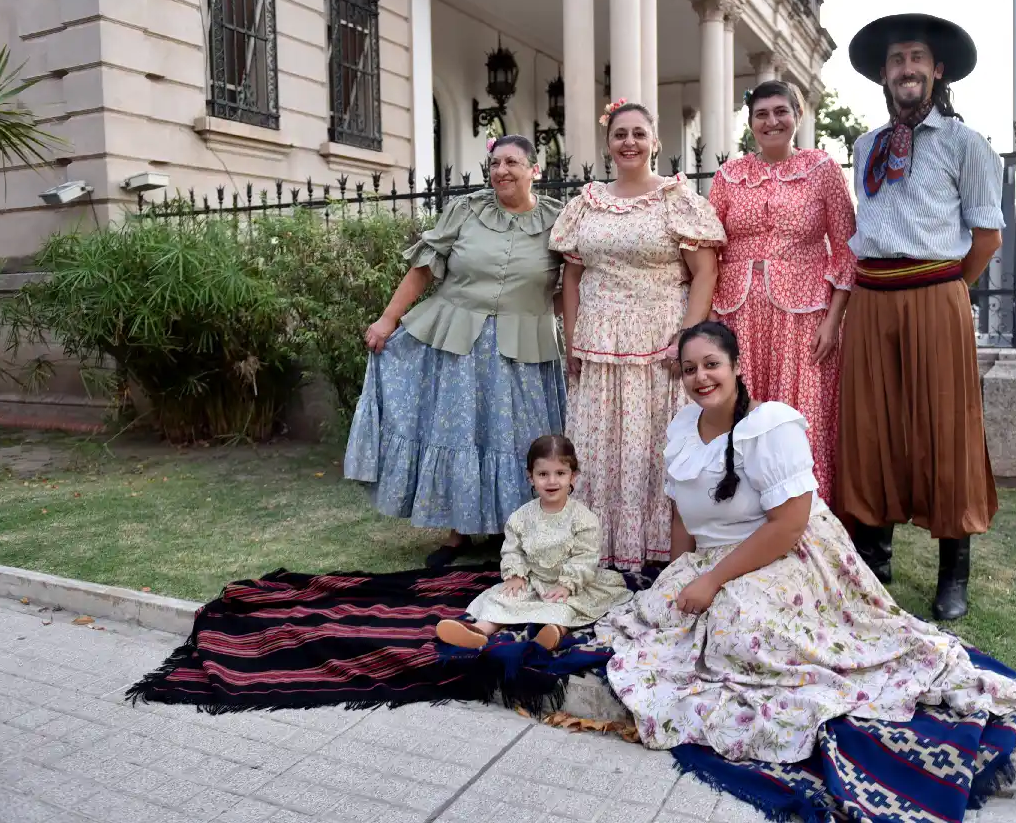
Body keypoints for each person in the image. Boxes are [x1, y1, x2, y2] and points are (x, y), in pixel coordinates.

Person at [595, 321, 1016, 764]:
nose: (701, 377)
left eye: (712, 365)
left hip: (787, 551)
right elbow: (681, 513)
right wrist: (680, 574)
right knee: (661, 617)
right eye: (689, 369)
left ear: (737, 366)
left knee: (739, 622)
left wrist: (711, 581)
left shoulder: (770, 425)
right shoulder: (684, 426)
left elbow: (788, 525)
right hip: (715, 558)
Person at [837, 14, 1004, 621]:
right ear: (883, 75)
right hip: (872, 296)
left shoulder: (967, 143)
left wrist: (947, 292)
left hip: (936, 292)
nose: (906, 69)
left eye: (917, 58)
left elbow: (987, 236)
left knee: (944, 428)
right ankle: (874, 559)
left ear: (937, 70)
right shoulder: (865, 147)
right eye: (896, 60)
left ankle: (952, 568)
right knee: (871, 426)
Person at [344, 135, 567, 569]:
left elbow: (573, 287)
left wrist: (543, 311)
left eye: (513, 162)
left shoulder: (559, 221)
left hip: (525, 348)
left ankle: (514, 528)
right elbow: (424, 267)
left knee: (518, 439)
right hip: (458, 343)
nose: (502, 170)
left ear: (534, 170)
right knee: (459, 433)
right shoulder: (466, 210)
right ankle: (457, 530)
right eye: (495, 162)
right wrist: (388, 319)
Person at [550, 100, 725, 571]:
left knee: (655, 446)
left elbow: (704, 273)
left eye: (638, 133)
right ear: (608, 144)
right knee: (599, 446)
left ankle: (662, 551)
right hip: (599, 340)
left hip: (660, 341)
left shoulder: (677, 200)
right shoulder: (584, 205)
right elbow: (571, 280)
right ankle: (601, 548)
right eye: (620, 134)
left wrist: (686, 340)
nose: (629, 142)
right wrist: (572, 343)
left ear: (655, 141)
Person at [709, 80, 856, 509]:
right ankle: (741, 519)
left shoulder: (821, 169)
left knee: (797, 415)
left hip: (803, 315)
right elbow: (707, 245)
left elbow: (846, 246)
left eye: (780, 111)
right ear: (750, 122)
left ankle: (806, 521)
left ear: (797, 115)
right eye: (761, 114)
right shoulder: (728, 175)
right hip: (738, 316)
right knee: (742, 414)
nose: (771, 121)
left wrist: (833, 319)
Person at [436, 434, 631, 651]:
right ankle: (479, 630)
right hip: (533, 580)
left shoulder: (583, 519)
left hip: (570, 585)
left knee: (566, 608)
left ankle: (553, 632)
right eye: (543, 474)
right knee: (504, 598)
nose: (552, 481)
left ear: (573, 477)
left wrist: (567, 584)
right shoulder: (521, 517)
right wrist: (516, 574)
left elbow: (585, 557)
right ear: (531, 478)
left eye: (560, 473)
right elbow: (512, 549)